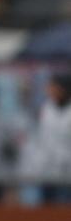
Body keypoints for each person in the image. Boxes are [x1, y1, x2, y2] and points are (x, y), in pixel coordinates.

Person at [24, 73, 71, 203]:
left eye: (53, 87)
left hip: (67, 174)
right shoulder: (46, 109)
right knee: (46, 208)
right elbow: (41, 140)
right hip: (46, 172)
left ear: (63, 89)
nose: (49, 90)